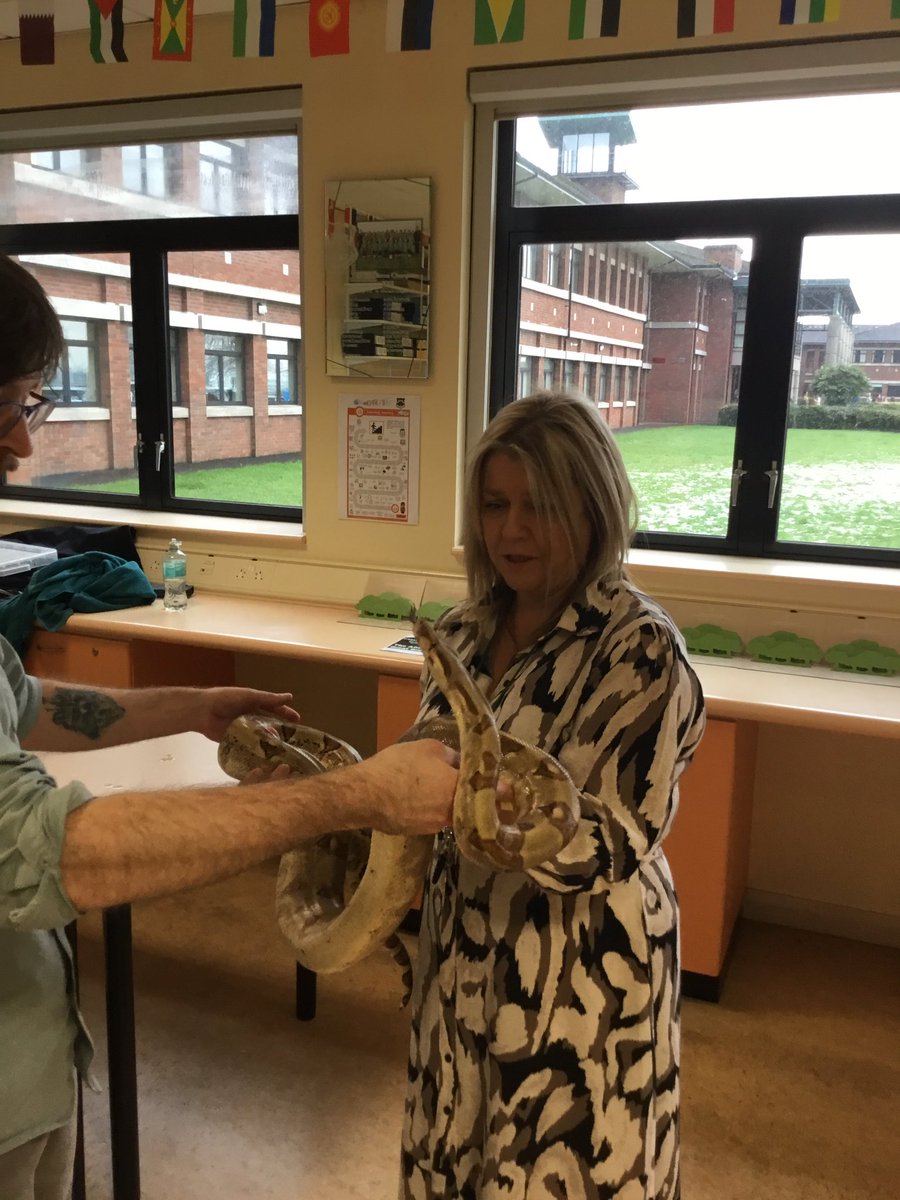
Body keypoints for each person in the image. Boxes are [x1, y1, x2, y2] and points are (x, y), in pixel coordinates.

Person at [0, 253, 459, 1200]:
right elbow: (56, 856)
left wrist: (191, 704)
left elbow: (41, 708)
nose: (22, 444)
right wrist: (352, 796)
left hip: (30, 1068)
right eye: (6, 405)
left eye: (32, 403)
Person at [401, 392, 706, 1200]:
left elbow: (608, 841)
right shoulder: (463, 631)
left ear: (592, 504)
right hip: (462, 953)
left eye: (540, 505)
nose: (511, 531)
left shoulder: (642, 650)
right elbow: (423, 769)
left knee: (563, 1170)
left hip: (579, 977)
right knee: (454, 1157)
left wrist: (458, 791)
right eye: (496, 505)